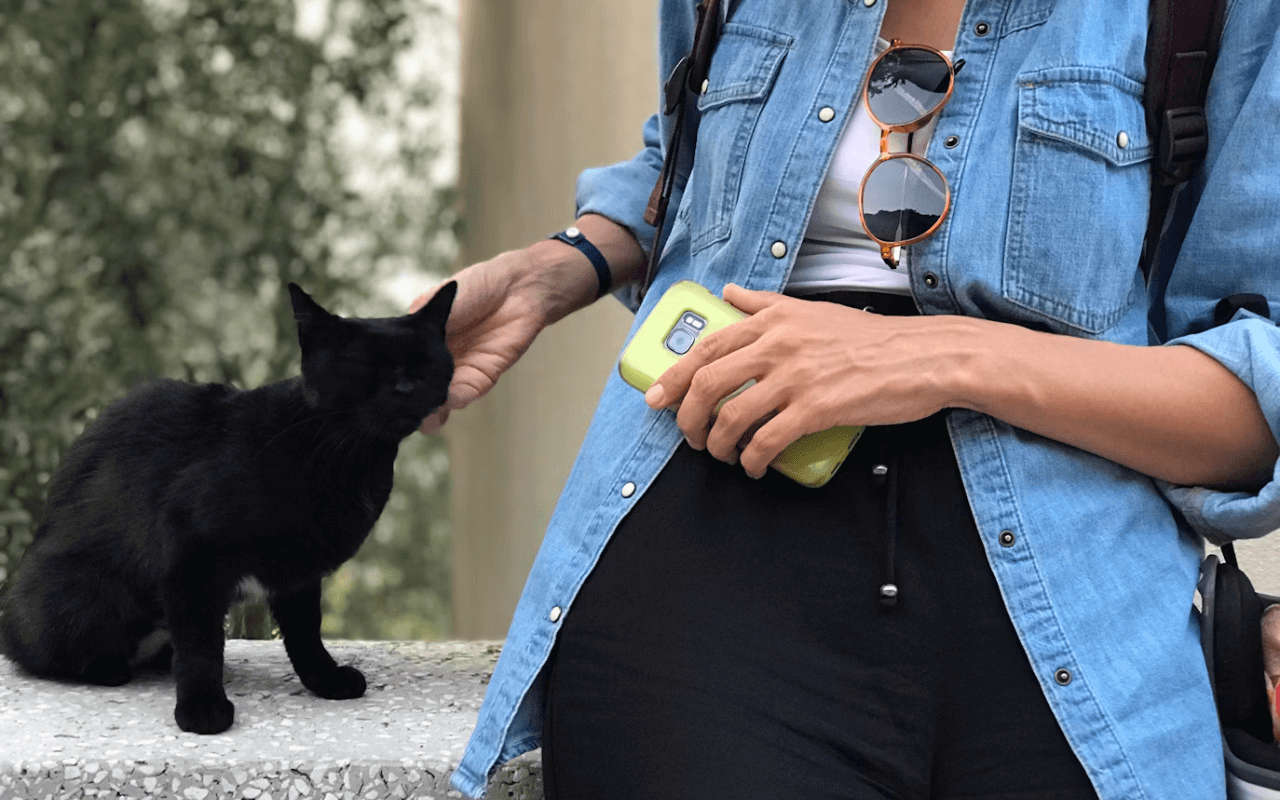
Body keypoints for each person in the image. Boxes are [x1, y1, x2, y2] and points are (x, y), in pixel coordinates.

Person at [425, 0, 1280, 797]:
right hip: (709, 543)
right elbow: (689, 155)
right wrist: (559, 268)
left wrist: (933, 356)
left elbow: (1249, 417)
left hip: (1073, 579)